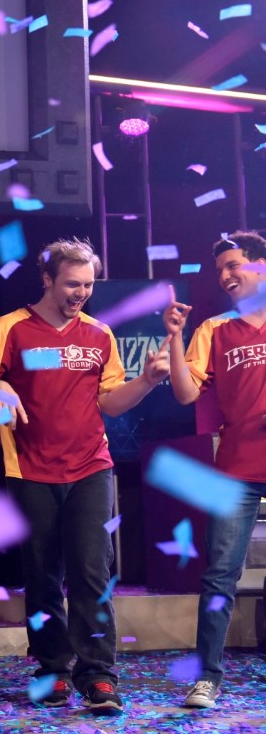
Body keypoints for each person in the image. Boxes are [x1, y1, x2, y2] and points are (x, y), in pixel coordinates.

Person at [0, 238, 169, 713]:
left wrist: (146, 381)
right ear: (47, 279)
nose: (81, 293)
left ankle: (97, 675)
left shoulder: (99, 334)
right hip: (30, 468)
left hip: (91, 466)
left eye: (88, 285)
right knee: (43, 576)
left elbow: (110, 401)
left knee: (93, 572)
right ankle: (52, 669)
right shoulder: (9, 327)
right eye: (73, 284)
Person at [162, 231, 266, 710]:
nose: (225, 275)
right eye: (220, 269)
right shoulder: (214, 329)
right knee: (221, 574)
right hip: (235, 471)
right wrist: (175, 337)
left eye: (233, 264)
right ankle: (207, 677)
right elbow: (185, 394)